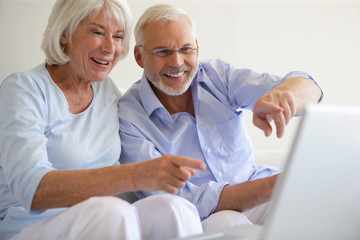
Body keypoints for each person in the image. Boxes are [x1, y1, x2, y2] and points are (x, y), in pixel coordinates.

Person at [0, 1, 207, 239]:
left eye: (118, 36)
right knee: (111, 211)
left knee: (172, 208)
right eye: (97, 32)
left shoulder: (110, 94)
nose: (110, 47)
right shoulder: (23, 89)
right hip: (29, 227)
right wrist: (135, 175)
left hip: (103, 219)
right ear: (64, 33)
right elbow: (32, 189)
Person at [118, 3, 323, 232]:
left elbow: (311, 88)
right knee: (227, 224)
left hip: (258, 191)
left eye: (185, 49)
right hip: (204, 217)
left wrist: (284, 96)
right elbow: (181, 200)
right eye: (163, 52)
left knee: (322, 205)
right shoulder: (129, 116)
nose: (176, 62)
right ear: (139, 56)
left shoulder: (217, 77)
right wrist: (274, 185)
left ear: (197, 48)